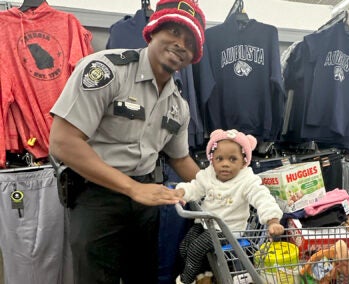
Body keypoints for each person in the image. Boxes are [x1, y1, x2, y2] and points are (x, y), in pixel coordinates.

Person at [48, 0, 206, 283]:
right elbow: (63, 142)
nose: (181, 44)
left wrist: (220, 189)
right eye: (173, 31)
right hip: (97, 197)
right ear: (152, 31)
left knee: (144, 277)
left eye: (190, 42)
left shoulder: (178, 104)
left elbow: (180, 158)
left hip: (146, 201)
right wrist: (133, 188)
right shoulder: (107, 70)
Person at [174, 129, 284, 284]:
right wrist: (182, 192)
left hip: (229, 230)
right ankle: (205, 274)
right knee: (185, 246)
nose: (225, 164)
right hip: (207, 225)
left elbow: (262, 197)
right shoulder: (209, 174)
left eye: (233, 159)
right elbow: (195, 187)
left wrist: (273, 220)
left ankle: (185, 280)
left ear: (244, 161)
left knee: (196, 249)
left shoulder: (247, 180)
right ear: (212, 159)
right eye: (219, 159)